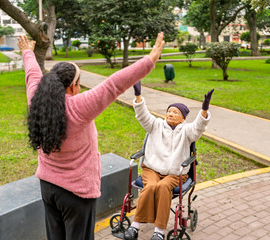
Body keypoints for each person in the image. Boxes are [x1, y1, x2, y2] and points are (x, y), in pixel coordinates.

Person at [16, 33, 165, 240]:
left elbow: (32, 75)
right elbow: (115, 84)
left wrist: (27, 52)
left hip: (48, 188)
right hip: (76, 194)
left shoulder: (37, 101)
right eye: (79, 81)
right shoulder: (79, 107)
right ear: (71, 86)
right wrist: (150, 59)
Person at [123, 83, 214, 240]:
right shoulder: (156, 124)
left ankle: (159, 231)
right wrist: (138, 96)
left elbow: (199, 127)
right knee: (151, 186)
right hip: (152, 169)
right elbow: (143, 115)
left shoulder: (187, 131)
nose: (170, 114)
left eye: (175, 112)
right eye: (169, 111)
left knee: (163, 187)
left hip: (175, 173)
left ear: (183, 118)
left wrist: (204, 110)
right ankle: (135, 226)